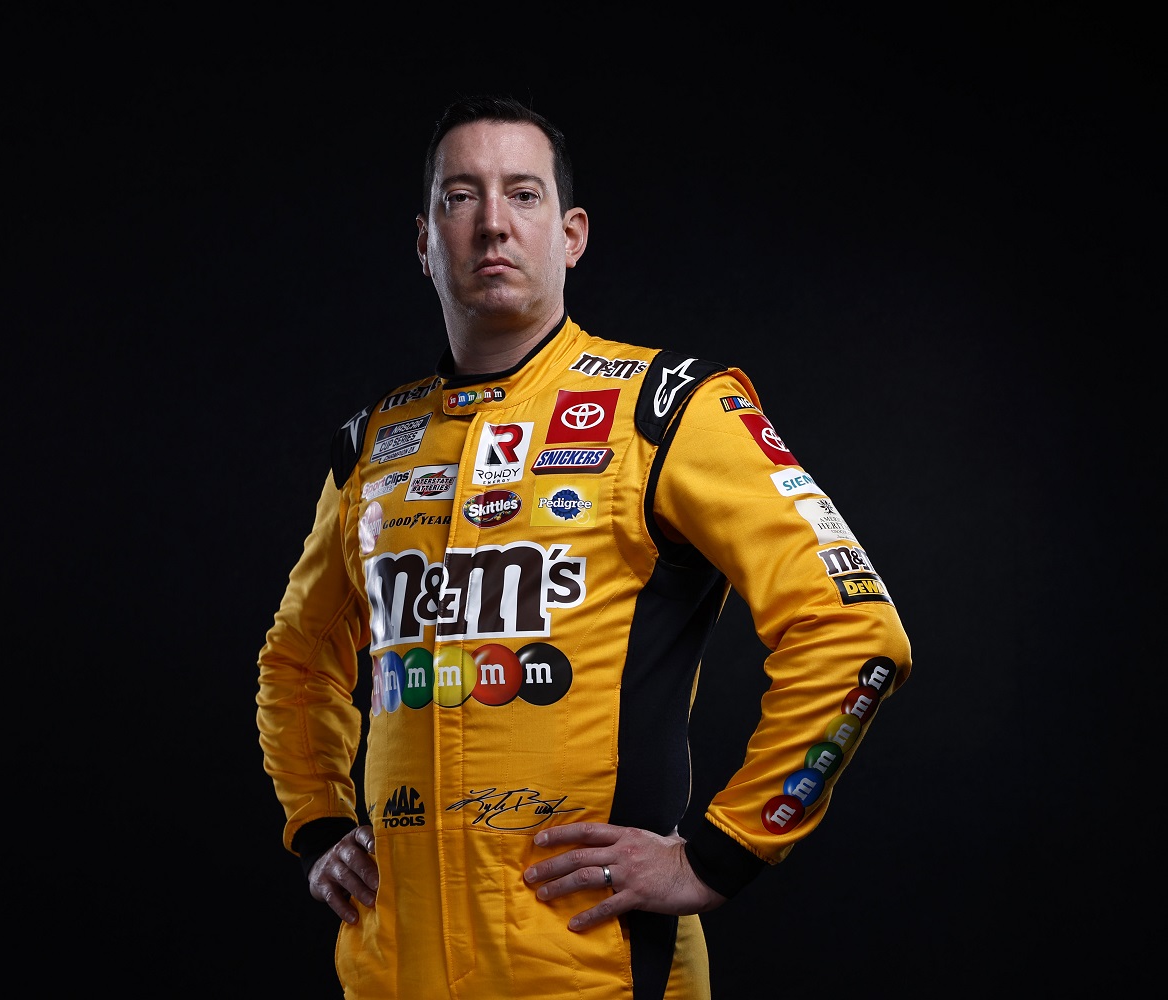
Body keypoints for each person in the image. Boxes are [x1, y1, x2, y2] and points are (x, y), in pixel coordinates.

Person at [255, 94, 912, 1000]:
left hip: (594, 970)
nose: (492, 223)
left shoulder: (669, 409)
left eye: (522, 195)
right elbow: (297, 660)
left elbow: (855, 634)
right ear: (423, 241)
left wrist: (724, 853)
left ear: (571, 235)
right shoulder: (374, 445)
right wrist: (319, 824)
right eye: (461, 196)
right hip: (389, 971)